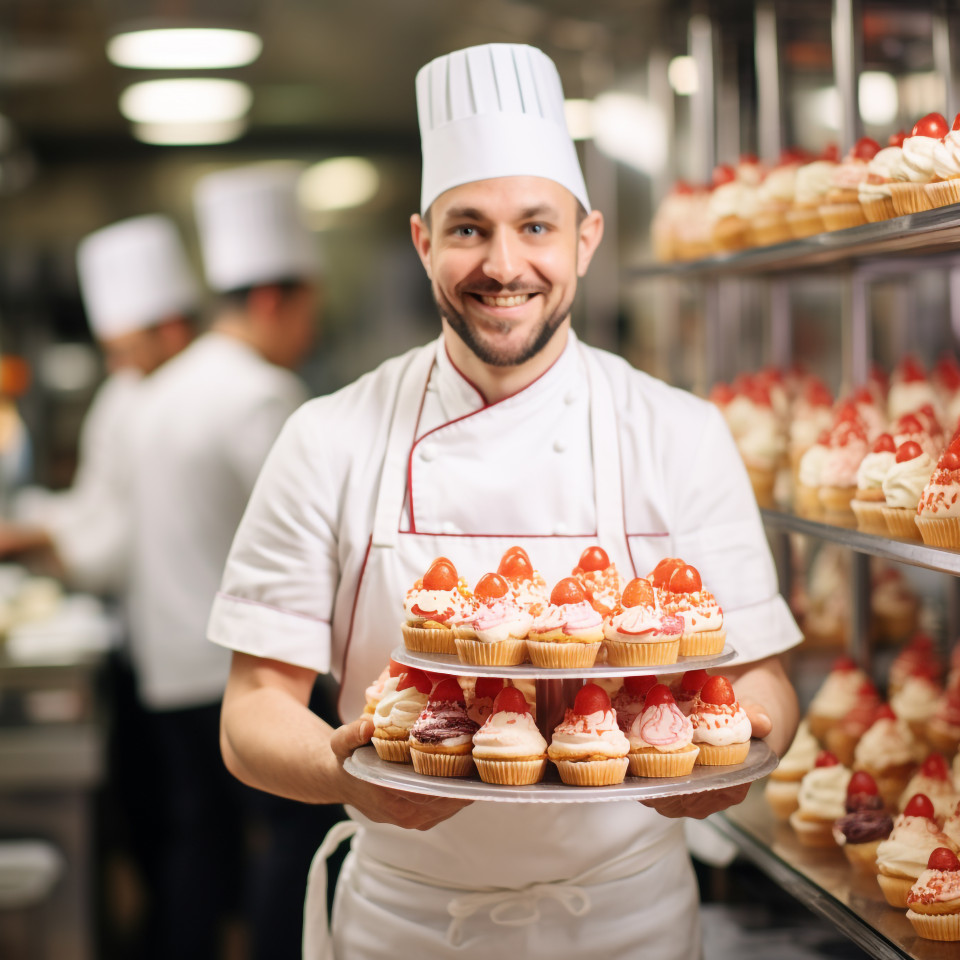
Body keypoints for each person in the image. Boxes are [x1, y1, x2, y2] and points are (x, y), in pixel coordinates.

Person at [210, 44, 802, 959]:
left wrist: (736, 753)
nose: (503, 264)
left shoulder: (679, 431)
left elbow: (762, 678)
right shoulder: (328, 435)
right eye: (467, 229)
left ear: (586, 239)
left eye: (535, 226)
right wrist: (346, 776)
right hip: (407, 926)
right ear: (422, 241)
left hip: (629, 922)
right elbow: (252, 710)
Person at [128, 164, 323, 960]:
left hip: (164, 662)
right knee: (294, 837)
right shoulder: (258, 395)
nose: (308, 329)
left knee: (199, 848)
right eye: (307, 307)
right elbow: (306, 541)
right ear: (273, 299)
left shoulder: (162, 390)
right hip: (236, 672)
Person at [2, 215, 198, 590]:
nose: (115, 366)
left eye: (125, 350)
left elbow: (134, 530)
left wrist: (40, 540)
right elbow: (98, 503)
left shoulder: (207, 394)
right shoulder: (124, 390)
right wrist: (38, 529)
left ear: (172, 329)